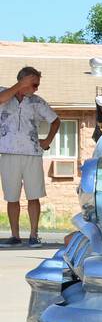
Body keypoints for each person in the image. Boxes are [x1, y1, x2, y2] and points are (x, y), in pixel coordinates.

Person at [0, 67, 60, 246]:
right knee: (12, 197)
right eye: (34, 84)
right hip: (8, 152)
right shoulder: (4, 93)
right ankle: (15, 236)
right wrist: (20, 85)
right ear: (24, 81)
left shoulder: (37, 102)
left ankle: (34, 235)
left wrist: (47, 139)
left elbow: (56, 120)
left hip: (32, 153)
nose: (36, 88)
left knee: (33, 196)